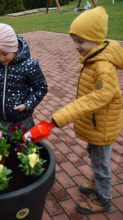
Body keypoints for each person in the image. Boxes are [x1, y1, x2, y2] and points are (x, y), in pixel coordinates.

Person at [50, 7, 123, 215]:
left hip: (102, 126)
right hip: (97, 123)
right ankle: (96, 180)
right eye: (74, 41)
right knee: (93, 153)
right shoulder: (94, 58)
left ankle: (103, 198)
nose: (76, 47)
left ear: (96, 40)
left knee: (101, 164)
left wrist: (64, 115)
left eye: (80, 42)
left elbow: (98, 97)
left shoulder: (103, 66)